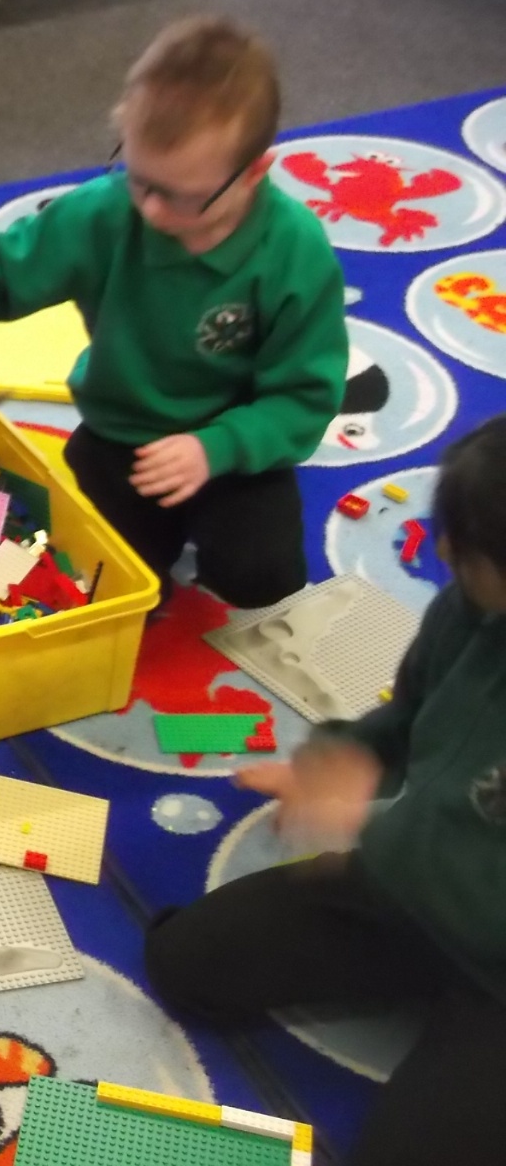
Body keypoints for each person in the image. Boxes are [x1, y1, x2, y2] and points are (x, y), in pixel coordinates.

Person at [144, 415, 506, 1165]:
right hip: (414, 887)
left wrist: (379, 835)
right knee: (188, 962)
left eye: (471, 551)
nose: (444, 554)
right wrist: (339, 761)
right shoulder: (471, 607)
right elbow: (409, 716)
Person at [0, 16, 348, 608]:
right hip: (122, 437)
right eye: (140, 180)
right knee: (108, 589)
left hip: (234, 446)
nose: (153, 211)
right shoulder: (105, 213)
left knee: (262, 584)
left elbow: (306, 395)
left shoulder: (294, 251)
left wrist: (219, 447)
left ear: (254, 172)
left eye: (183, 197)